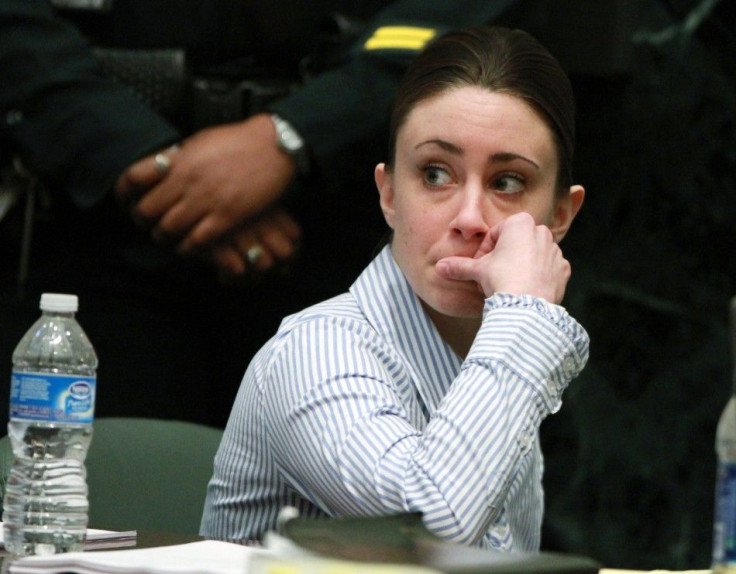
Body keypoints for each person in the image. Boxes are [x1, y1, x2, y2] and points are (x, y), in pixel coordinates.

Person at [0, 0, 525, 429]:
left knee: (346, 532)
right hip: (89, 231)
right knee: (101, 511)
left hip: (346, 224)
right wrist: (134, 153)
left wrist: (295, 134)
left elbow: (454, 16)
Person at [200, 25, 588, 551]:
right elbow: (433, 527)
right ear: (388, 195)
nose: (470, 218)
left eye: (507, 182)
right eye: (435, 174)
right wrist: (524, 316)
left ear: (560, 215)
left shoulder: (499, 352)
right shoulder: (317, 351)